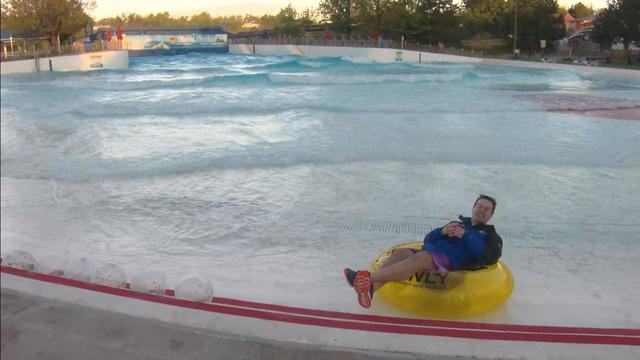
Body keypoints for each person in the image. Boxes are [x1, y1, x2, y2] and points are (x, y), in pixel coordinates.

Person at [344, 194, 502, 308]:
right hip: (432, 253)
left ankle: (365, 277)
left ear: (491, 215)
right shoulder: (457, 223)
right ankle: (371, 289)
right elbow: (428, 240)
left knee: (423, 257)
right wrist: (442, 232)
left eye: (486, 209)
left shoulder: (490, 236)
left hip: (451, 262)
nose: (482, 210)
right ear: (473, 208)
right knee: (401, 253)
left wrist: (466, 236)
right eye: (479, 206)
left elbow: (490, 257)